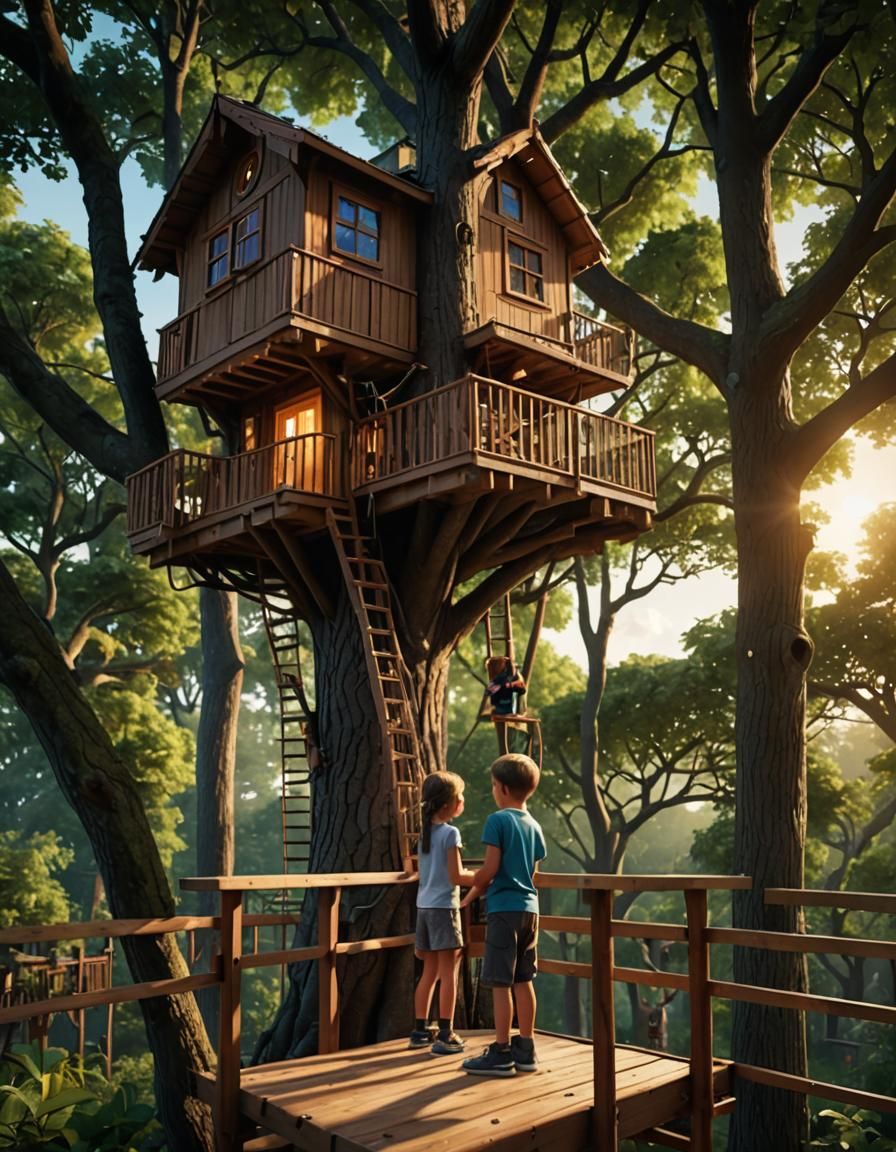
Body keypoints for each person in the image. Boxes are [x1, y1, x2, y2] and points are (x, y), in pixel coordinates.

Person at [460, 752, 546, 1077]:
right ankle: (526, 1048)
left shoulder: (497, 821)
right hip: (530, 910)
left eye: (494, 785)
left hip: (503, 911)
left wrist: (470, 886)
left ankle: (501, 1051)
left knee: (500, 983)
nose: (494, 791)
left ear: (504, 788)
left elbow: (490, 870)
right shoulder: (534, 825)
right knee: (524, 980)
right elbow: (532, 873)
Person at [409, 771, 480, 1055]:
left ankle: (419, 1030)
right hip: (443, 908)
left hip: (424, 907)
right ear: (447, 805)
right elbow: (457, 876)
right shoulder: (451, 833)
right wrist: (482, 876)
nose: (463, 800)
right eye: (459, 796)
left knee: (429, 972)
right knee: (449, 972)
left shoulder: (425, 832)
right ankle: (446, 1033)